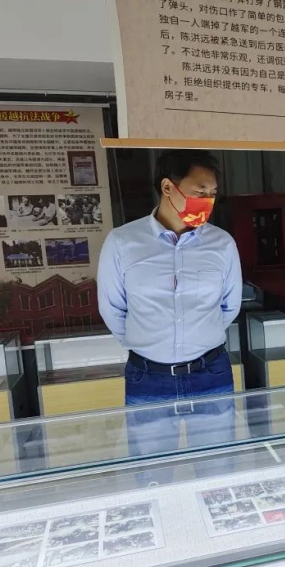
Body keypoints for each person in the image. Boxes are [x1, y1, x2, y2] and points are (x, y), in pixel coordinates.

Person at [98, 149, 241, 404]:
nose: (207, 201)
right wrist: (150, 345)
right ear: (167, 187)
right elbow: (112, 309)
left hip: (210, 372)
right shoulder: (122, 242)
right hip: (147, 376)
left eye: (212, 193)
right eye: (199, 192)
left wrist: (199, 337)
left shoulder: (222, 244)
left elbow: (229, 306)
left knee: (218, 434)